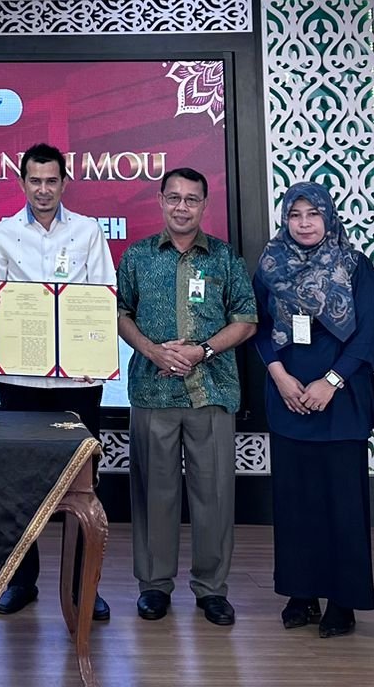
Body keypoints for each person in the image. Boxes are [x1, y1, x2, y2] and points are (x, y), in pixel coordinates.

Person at [117, 166, 257, 627]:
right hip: (152, 390)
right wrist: (152, 350)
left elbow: (246, 319)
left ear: (204, 205)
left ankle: (212, 589)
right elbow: (119, 313)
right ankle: (154, 587)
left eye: (191, 199)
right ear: (160, 201)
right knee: (154, 496)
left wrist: (203, 350)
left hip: (211, 391)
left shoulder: (224, 258)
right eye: (173, 198)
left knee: (213, 495)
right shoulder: (136, 256)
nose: (182, 207)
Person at [0, 142, 116, 622]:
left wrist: (95, 352)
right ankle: (22, 582)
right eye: (34, 181)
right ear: (22, 183)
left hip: (78, 381)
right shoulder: (3, 233)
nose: (43, 190)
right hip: (20, 379)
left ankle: (86, 586)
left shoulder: (88, 231)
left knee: (81, 486)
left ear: (65, 182)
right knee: (20, 484)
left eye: (51, 180)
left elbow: (104, 299)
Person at [253, 182, 374, 638]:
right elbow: (259, 327)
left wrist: (330, 381)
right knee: (295, 504)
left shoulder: (354, 266)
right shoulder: (270, 265)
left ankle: (342, 601)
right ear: (285, 218)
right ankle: (300, 593)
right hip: (288, 397)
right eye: (295, 214)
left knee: (341, 505)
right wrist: (281, 376)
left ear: (329, 217)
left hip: (340, 401)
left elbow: (368, 334)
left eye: (313, 213)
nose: (304, 223)